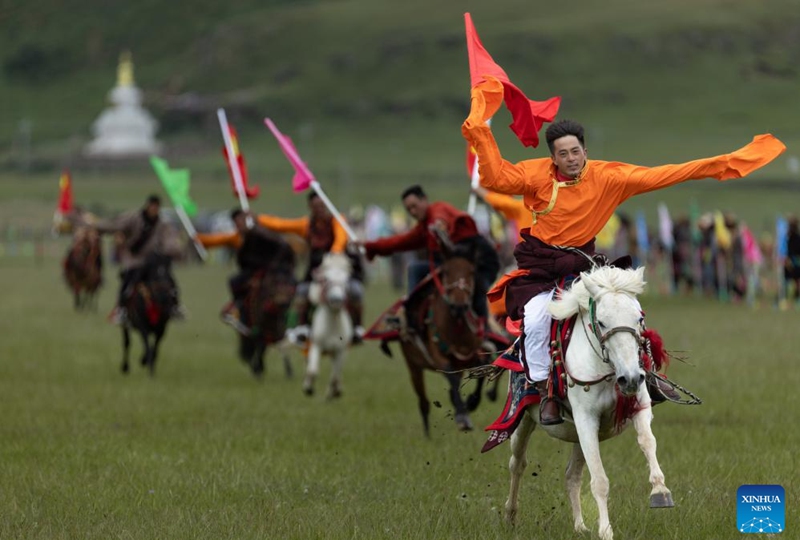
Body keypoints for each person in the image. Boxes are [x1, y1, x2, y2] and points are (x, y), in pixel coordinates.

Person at [462, 79, 785, 425]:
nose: (570, 159)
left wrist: (726, 163)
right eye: (562, 154)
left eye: (575, 152)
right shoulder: (535, 174)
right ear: (552, 156)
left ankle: (649, 375)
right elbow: (495, 178)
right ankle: (543, 389)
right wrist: (479, 127)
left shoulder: (611, 178)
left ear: (585, 150)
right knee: (539, 317)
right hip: (540, 266)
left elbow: (669, 174)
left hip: (583, 263)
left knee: (626, 308)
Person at [362, 185, 501, 330]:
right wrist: (369, 246)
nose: (412, 212)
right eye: (409, 209)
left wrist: (439, 226)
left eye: (414, 206)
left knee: (476, 290)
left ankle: (485, 331)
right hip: (451, 264)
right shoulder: (423, 228)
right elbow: (398, 242)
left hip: (480, 260)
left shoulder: (438, 210)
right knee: (416, 269)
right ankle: (413, 314)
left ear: (424, 200)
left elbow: (440, 218)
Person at [257, 192, 365, 343]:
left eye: (322, 205)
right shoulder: (307, 225)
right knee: (301, 291)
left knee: (355, 290)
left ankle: (357, 328)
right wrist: (257, 219)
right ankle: (302, 327)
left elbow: (341, 238)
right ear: (310, 207)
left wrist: (334, 254)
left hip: (338, 269)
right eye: (316, 206)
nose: (320, 209)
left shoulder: (338, 220)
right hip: (316, 271)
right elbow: (281, 224)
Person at [196, 209, 295, 333]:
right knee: (234, 282)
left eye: (241, 221)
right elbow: (217, 240)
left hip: (271, 269)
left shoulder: (260, 232)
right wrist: (198, 238)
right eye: (237, 223)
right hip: (251, 270)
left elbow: (281, 245)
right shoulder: (237, 237)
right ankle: (238, 307)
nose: (240, 225)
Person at [91, 195, 185, 325]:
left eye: (156, 207)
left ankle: (175, 306)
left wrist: (173, 250)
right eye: (152, 206)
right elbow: (116, 224)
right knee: (129, 281)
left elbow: (170, 240)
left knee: (167, 279)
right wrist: (98, 227)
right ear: (148, 206)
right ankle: (122, 309)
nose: (154, 209)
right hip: (134, 259)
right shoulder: (134, 218)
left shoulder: (162, 223)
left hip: (151, 260)